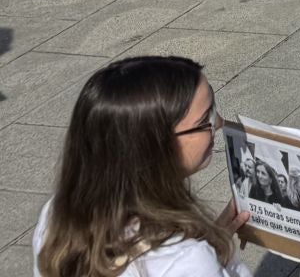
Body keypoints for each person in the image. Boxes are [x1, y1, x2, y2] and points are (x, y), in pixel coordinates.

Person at [34, 54, 252, 277]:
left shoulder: (59, 214)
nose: (219, 124)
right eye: (206, 119)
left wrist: (216, 238)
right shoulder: (185, 260)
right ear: (155, 146)